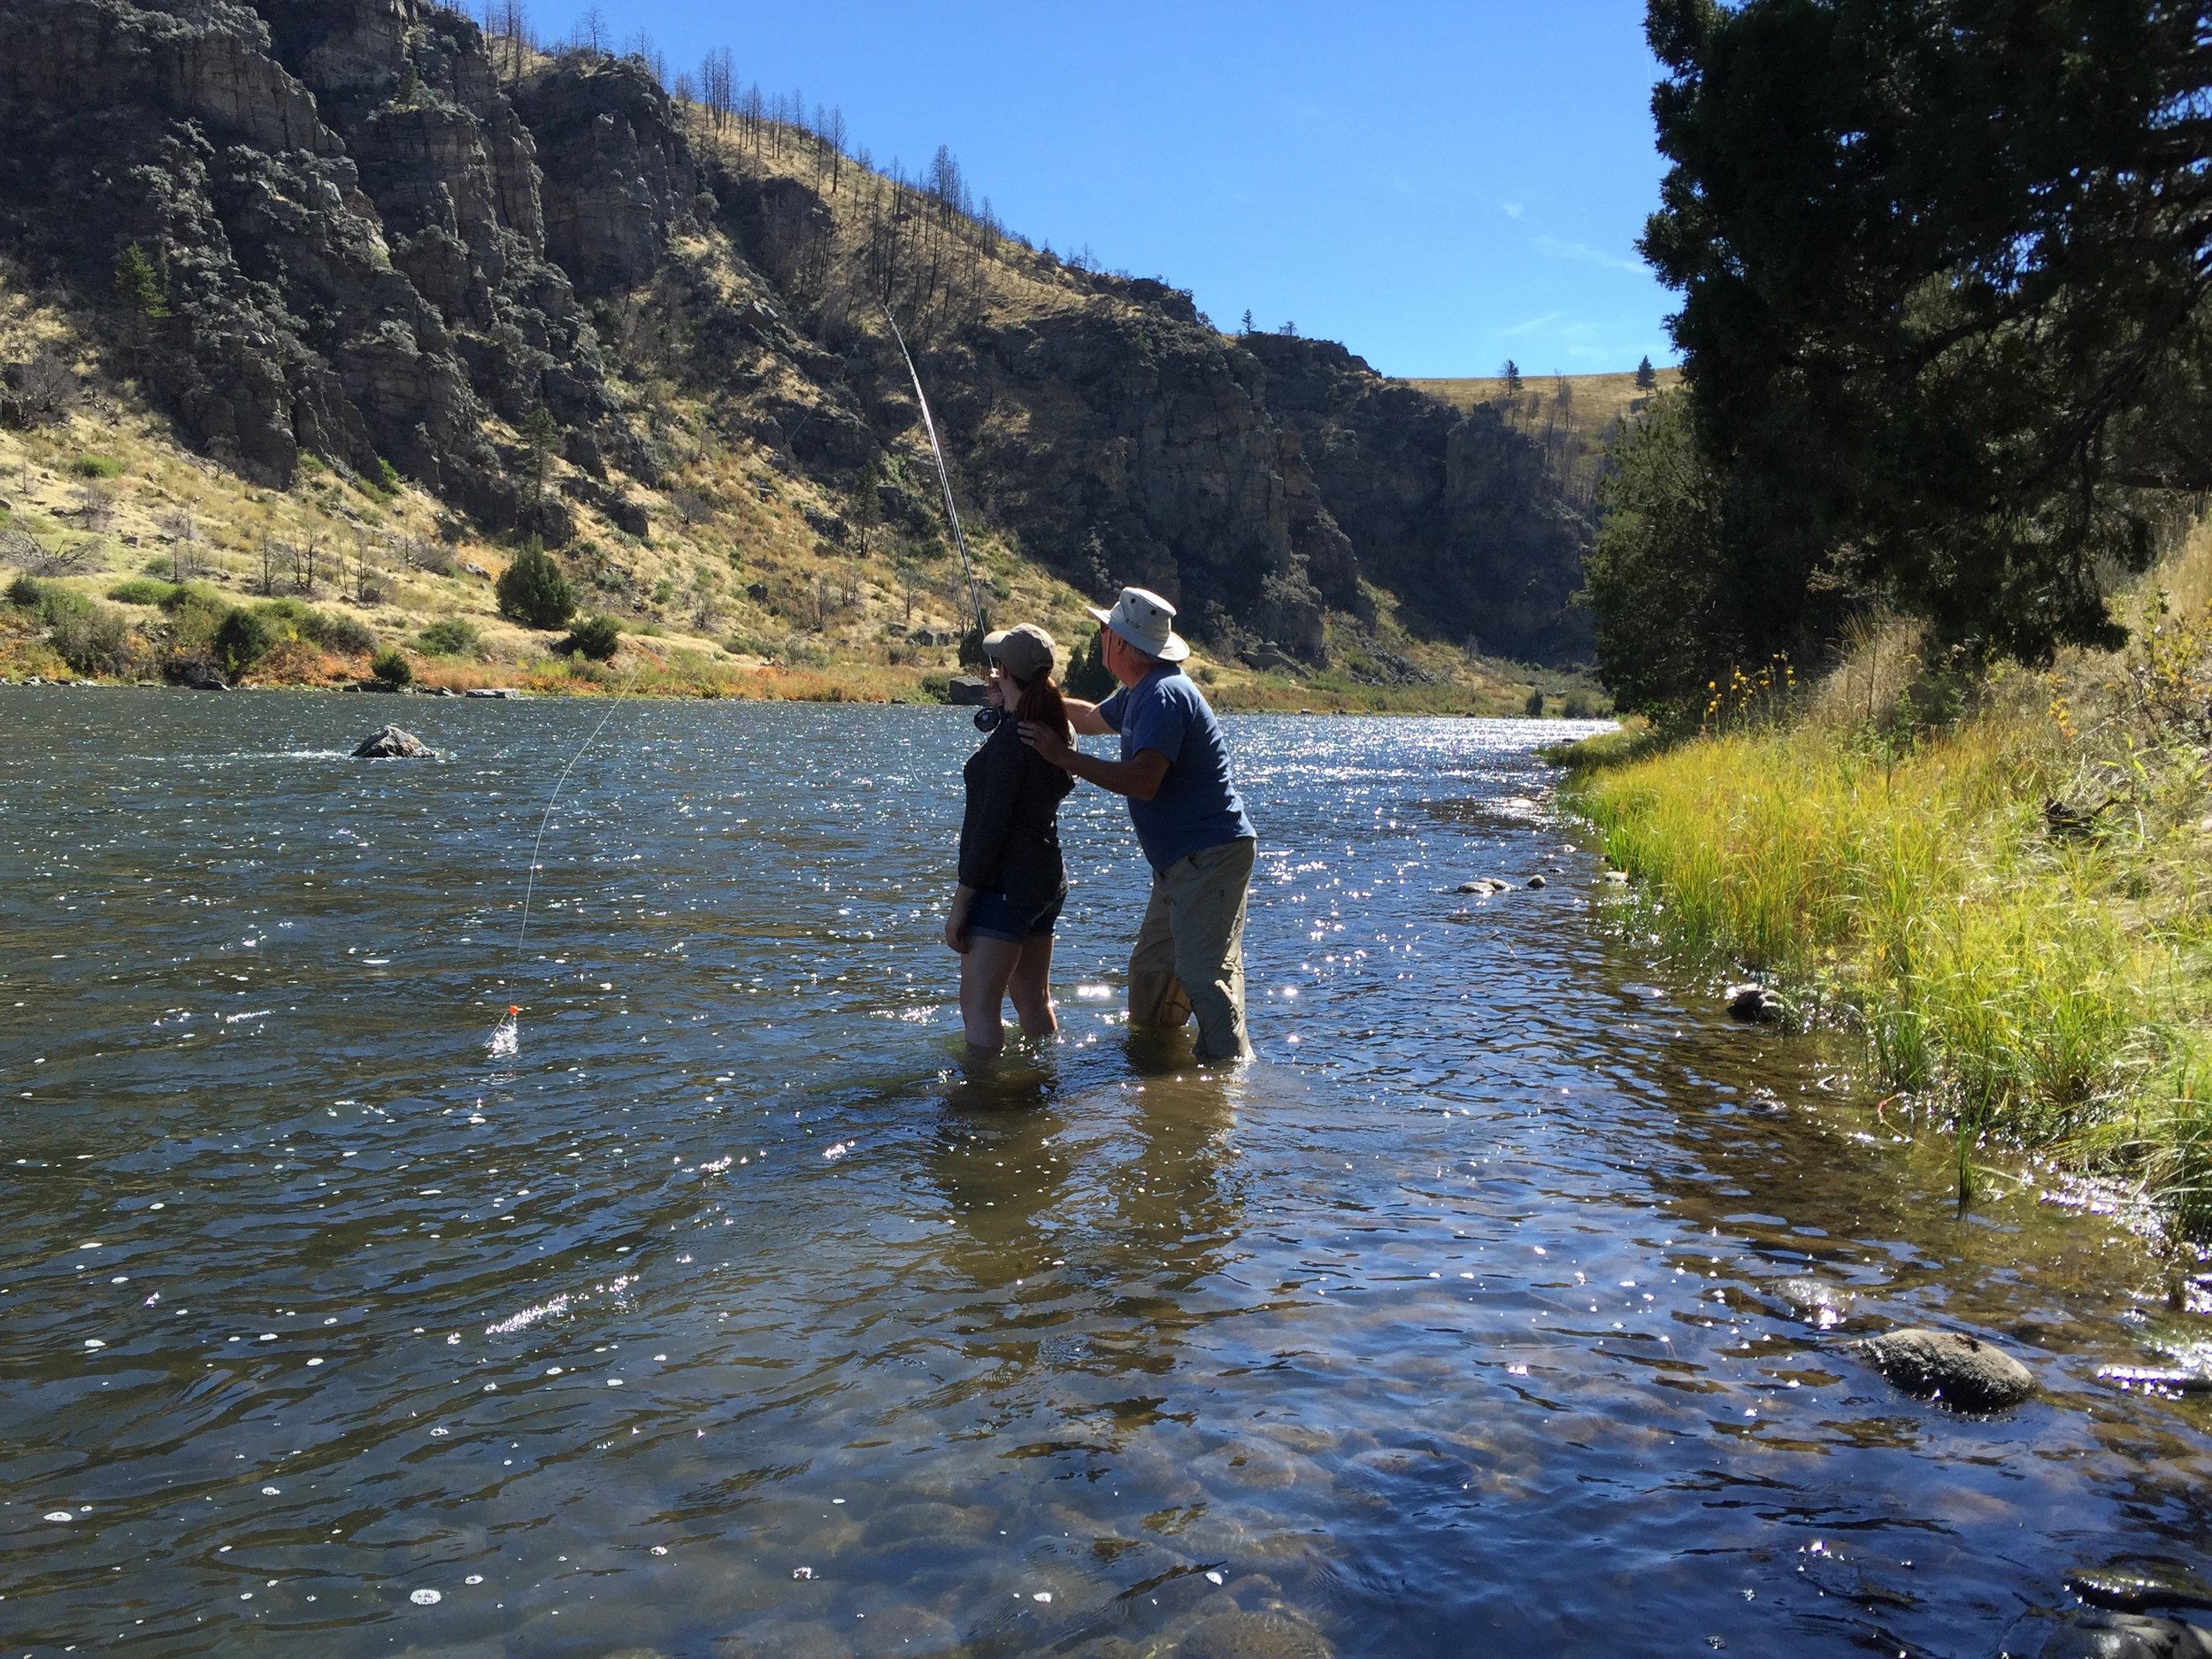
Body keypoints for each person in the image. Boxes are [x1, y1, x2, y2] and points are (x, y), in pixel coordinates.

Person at [1018, 587, 1256, 1062]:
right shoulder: (1141, 691)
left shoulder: (1165, 694)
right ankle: (1164, 1075)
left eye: (1104, 630)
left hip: (1209, 857)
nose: (1100, 636)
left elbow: (1144, 781)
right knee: (1151, 974)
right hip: (1179, 863)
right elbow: (1088, 716)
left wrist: (1062, 756)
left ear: (1122, 644)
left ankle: (1230, 1077)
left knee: (1204, 974)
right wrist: (1030, 699)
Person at [946, 623, 1076, 1054]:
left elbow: (992, 828)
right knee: (1033, 1001)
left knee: (978, 1007)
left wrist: (962, 901)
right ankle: (1046, 1088)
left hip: (1006, 886)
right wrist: (1008, 706)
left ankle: (982, 1098)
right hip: (1045, 881)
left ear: (1003, 669)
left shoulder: (1010, 743)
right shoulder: (1051, 730)